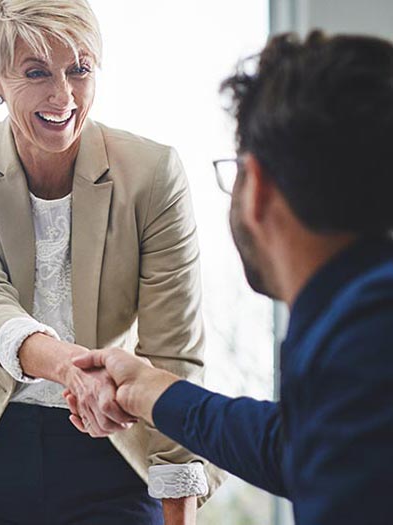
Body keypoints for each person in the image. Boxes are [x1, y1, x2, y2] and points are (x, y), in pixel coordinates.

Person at [0, 1, 223, 523]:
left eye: (79, 69)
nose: (62, 95)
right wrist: (74, 368)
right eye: (36, 72)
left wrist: (179, 502)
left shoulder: (152, 174)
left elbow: (173, 352)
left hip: (116, 442)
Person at [69, 31, 393, 525]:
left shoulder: (363, 333)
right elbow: (300, 446)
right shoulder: (362, 328)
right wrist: (154, 389)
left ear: (256, 185)